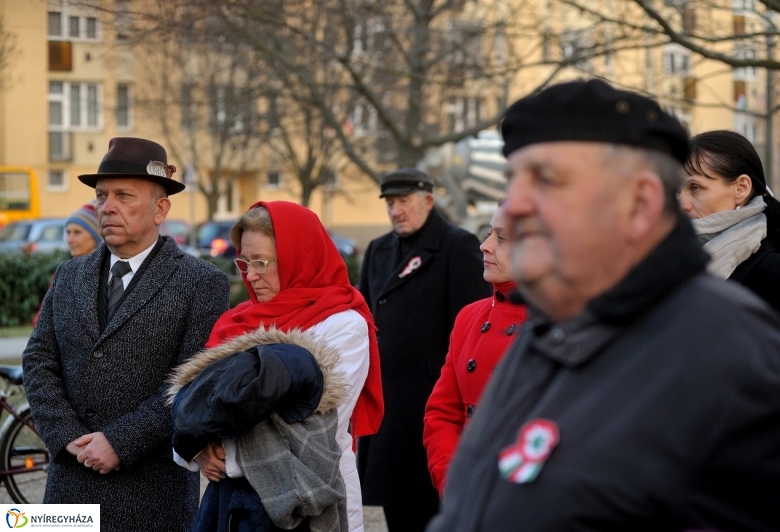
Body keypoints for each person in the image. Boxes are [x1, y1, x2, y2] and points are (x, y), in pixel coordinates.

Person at [427, 79, 780, 531]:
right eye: (515, 179)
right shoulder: (550, 330)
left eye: (547, 180)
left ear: (641, 200)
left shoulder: (731, 351)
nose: (518, 205)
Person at [22, 137, 230, 532]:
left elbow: (192, 382)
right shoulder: (69, 276)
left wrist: (121, 442)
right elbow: (38, 360)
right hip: (69, 485)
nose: (108, 207)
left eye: (124, 195)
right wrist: (67, 436)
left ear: (160, 208)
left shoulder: (201, 283)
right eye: (102, 196)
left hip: (151, 496)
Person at [170, 201, 383, 532]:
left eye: (262, 262)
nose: (250, 275)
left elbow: (314, 423)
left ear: (300, 257)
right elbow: (195, 398)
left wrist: (216, 442)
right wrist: (198, 448)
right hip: (229, 501)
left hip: (311, 497)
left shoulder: (343, 323)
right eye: (244, 261)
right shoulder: (237, 321)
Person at [357, 168, 490, 531]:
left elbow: (472, 329)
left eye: (403, 202)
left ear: (427, 201)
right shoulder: (378, 248)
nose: (396, 210)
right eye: (390, 203)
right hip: (386, 398)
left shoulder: (456, 245)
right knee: (391, 504)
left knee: (428, 505)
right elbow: (364, 318)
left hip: (430, 400)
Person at [423, 202, 527, 498]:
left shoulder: (567, 321)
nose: (485, 246)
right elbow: (442, 412)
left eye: (502, 238)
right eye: (488, 233)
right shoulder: (470, 317)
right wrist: (451, 479)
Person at [680, 130, 780, 338]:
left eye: (696, 187)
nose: (682, 204)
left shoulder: (777, 278)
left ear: (741, 189)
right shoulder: (668, 269)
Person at [32, 202, 103, 327]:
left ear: (95, 236)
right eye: (68, 232)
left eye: (77, 233)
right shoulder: (62, 275)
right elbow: (41, 321)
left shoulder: (110, 275)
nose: (69, 240)